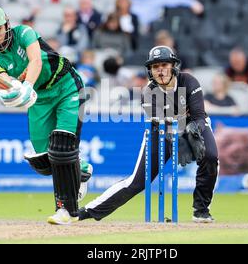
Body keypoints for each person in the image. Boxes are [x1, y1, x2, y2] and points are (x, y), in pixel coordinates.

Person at [0, 5, 93, 225]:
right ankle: (82, 169)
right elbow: (7, 83)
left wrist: (27, 85)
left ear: (6, 25)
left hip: (66, 85)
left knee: (62, 145)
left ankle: (65, 209)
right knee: (43, 154)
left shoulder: (24, 32)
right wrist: (10, 91)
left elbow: (36, 61)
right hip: (39, 98)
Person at [79, 46, 219, 223]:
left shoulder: (188, 81)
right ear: (150, 71)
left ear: (174, 66)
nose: (160, 70)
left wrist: (191, 134)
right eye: (155, 66)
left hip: (194, 126)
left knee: (211, 157)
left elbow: (199, 116)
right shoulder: (148, 93)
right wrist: (177, 138)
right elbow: (162, 123)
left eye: (164, 65)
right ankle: (87, 211)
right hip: (160, 131)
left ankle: (201, 210)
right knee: (137, 182)